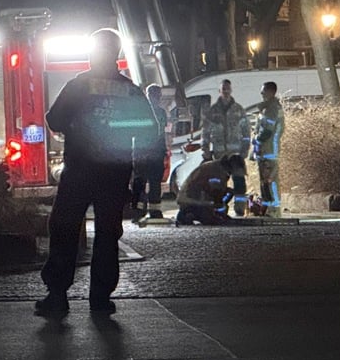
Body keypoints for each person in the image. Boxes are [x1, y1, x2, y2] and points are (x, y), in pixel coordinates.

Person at [36, 28, 159, 317]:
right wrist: (138, 174)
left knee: (64, 229)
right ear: (116, 53)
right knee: (107, 234)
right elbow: (148, 132)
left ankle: (57, 295)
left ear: (94, 52)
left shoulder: (79, 86)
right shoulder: (130, 90)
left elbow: (54, 119)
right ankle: (100, 300)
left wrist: (81, 127)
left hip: (79, 170)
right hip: (114, 175)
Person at [201, 79, 251, 215]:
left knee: (239, 181)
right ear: (219, 91)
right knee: (219, 183)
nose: (226, 91)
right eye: (223, 88)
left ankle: (240, 208)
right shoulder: (213, 111)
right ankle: (220, 209)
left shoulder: (239, 110)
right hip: (219, 154)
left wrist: (245, 149)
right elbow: (205, 132)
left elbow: (246, 131)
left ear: (231, 90)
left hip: (236, 153)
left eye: (228, 88)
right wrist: (205, 149)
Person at [130, 84, 169, 222]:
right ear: (148, 96)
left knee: (155, 182)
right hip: (143, 151)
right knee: (140, 181)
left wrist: (165, 150)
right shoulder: (139, 112)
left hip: (157, 151)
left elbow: (163, 133)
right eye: (153, 95)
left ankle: (155, 210)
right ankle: (137, 210)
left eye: (158, 96)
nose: (156, 98)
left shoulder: (162, 113)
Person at [175, 154, 246, 226]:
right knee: (213, 220)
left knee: (228, 193)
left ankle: (196, 213)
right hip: (192, 201)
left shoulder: (217, 167)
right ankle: (190, 214)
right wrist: (218, 213)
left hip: (192, 199)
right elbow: (216, 194)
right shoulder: (217, 172)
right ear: (233, 167)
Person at [252, 81, 285, 217]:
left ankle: (274, 209)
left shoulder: (271, 109)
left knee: (270, 181)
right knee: (266, 181)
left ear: (271, 92)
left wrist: (257, 141)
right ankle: (268, 207)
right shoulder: (270, 107)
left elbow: (267, 131)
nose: (261, 93)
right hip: (267, 150)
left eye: (263, 90)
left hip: (268, 150)